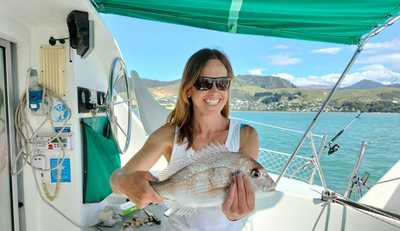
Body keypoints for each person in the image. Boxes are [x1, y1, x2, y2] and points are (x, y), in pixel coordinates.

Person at [110, 48, 260, 231]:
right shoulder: (168, 135)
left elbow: (245, 194)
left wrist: (236, 215)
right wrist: (125, 183)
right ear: (189, 89)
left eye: (222, 83)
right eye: (205, 83)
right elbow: (116, 179)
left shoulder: (246, 136)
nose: (214, 91)